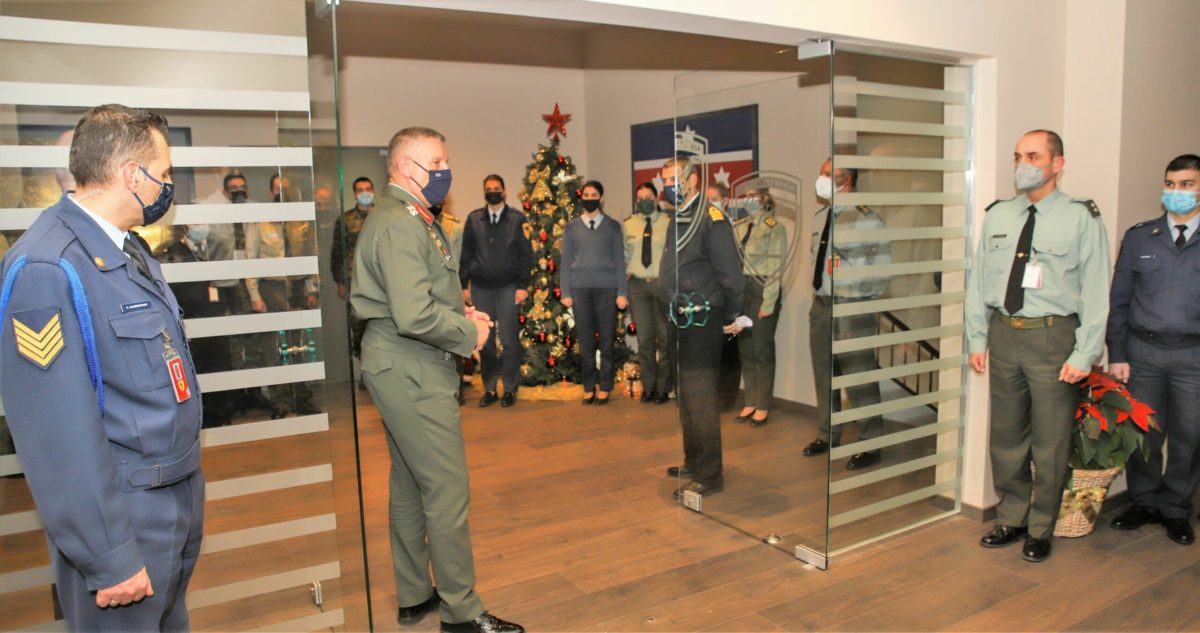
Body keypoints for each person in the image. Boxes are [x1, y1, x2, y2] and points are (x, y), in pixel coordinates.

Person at [0, 104, 204, 630]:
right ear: (132, 175)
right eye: (163, 174)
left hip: (171, 496)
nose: (167, 187)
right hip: (123, 516)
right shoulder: (47, 267)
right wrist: (107, 553)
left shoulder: (127, 248)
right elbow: (55, 432)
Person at [351, 126, 523, 633]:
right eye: (438, 162)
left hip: (401, 359)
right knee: (446, 489)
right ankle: (461, 612)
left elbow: (416, 293)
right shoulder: (401, 222)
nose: (447, 171)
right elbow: (412, 314)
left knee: (409, 482)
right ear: (407, 167)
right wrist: (468, 331)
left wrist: (460, 311)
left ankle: (414, 595)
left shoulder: (406, 215)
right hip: (411, 365)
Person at [965, 130, 1110, 563]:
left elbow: (1096, 290)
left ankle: (1041, 526)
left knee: (1049, 440)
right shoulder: (999, 214)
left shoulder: (1081, 216)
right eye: (1017, 157)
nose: (1022, 165)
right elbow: (979, 283)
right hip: (1005, 332)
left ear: (1057, 164)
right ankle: (1011, 518)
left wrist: (1084, 353)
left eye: (1032, 156)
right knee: (1006, 436)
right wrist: (977, 337)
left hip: (1053, 336)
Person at [1107, 153, 1200, 546]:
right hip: (1143, 353)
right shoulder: (1140, 237)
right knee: (1142, 432)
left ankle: (1176, 508)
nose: (1176, 191)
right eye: (1171, 184)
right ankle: (1144, 502)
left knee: (1189, 436)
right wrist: (1117, 353)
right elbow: (1119, 301)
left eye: (1187, 184)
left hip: (1193, 355)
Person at [657, 155, 745, 499]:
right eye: (665, 180)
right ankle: (693, 461)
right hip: (679, 317)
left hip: (702, 318)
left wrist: (732, 315)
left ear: (693, 180)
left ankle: (709, 476)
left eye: (673, 179)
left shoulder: (711, 218)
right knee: (686, 396)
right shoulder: (678, 216)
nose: (668, 186)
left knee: (701, 398)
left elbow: (730, 273)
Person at [803, 159, 891, 468]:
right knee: (824, 374)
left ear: (847, 181)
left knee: (859, 378)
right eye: (821, 173)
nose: (821, 179)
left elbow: (881, 272)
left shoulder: (866, 219)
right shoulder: (821, 217)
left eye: (828, 175)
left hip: (852, 307)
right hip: (822, 306)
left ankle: (871, 443)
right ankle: (828, 434)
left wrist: (858, 301)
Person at [459, 174, 533, 408]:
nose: (493, 192)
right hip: (481, 289)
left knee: (510, 341)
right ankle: (490, 389)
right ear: (484, 192)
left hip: (508, 288)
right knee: (486, 342)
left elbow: (526, 255)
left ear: (505, 191)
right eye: (488, 189)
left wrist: (522, 285)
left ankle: (510, 389)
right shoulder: (474, 219)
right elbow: (465, 254)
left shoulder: (517, 219)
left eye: (496, 188)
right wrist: (464, 285)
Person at [162, 222, 236, 427]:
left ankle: (221, 414)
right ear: (185, 228)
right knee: (200, 368)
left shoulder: (214, 248)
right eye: (196, 224)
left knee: (220, 365)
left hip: (216, 316)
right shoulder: (176, 253)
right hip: (193, 319)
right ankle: (205, 418)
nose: (201, 228)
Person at [561, 180, 628, 405]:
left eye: (594, 195)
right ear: (582, 198)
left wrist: (622, 292)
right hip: (580, 290)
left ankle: (605, 386)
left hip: (607, 290)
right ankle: (589, 387)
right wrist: (565, 291)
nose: (590, 198)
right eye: (586, 195)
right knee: (586, 342)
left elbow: (619, 261)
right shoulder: (571, 227)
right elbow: (566, 261)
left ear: (601, 199)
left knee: (606, 341)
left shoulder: (612, 227)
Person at [734, 188, 788, 427]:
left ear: (765, 199)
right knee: (746, 349)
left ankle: (763, 405)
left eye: (753, 195)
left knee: (762, 350)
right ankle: (750, 401)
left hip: (762, 289)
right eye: (745, 195)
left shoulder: (774, 227)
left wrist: (769, 301)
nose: (748, 199)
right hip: (742, 290)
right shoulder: (740, 226)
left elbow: (776, 267)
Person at [623, 182, 673, 405]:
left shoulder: (668, 223)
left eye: (649, 197)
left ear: (656, 198)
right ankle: (649, 387)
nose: (644, 200)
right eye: (640, 197)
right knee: (644, 340)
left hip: (662, 285)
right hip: (638, 287)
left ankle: (663, 388)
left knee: (664, 339)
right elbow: (623, 254)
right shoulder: (628, 224)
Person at [331, 176, 375, 383]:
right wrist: (340, 281)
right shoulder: (345, 219)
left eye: (368, 188)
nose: (365, 192)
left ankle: (380, 375)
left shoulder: (383, 215)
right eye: (360, 190)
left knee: (381, 329)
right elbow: (337, 252)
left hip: (381, 283)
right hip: (355, 283)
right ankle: (366, 372)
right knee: (358, 330)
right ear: (355, 194)